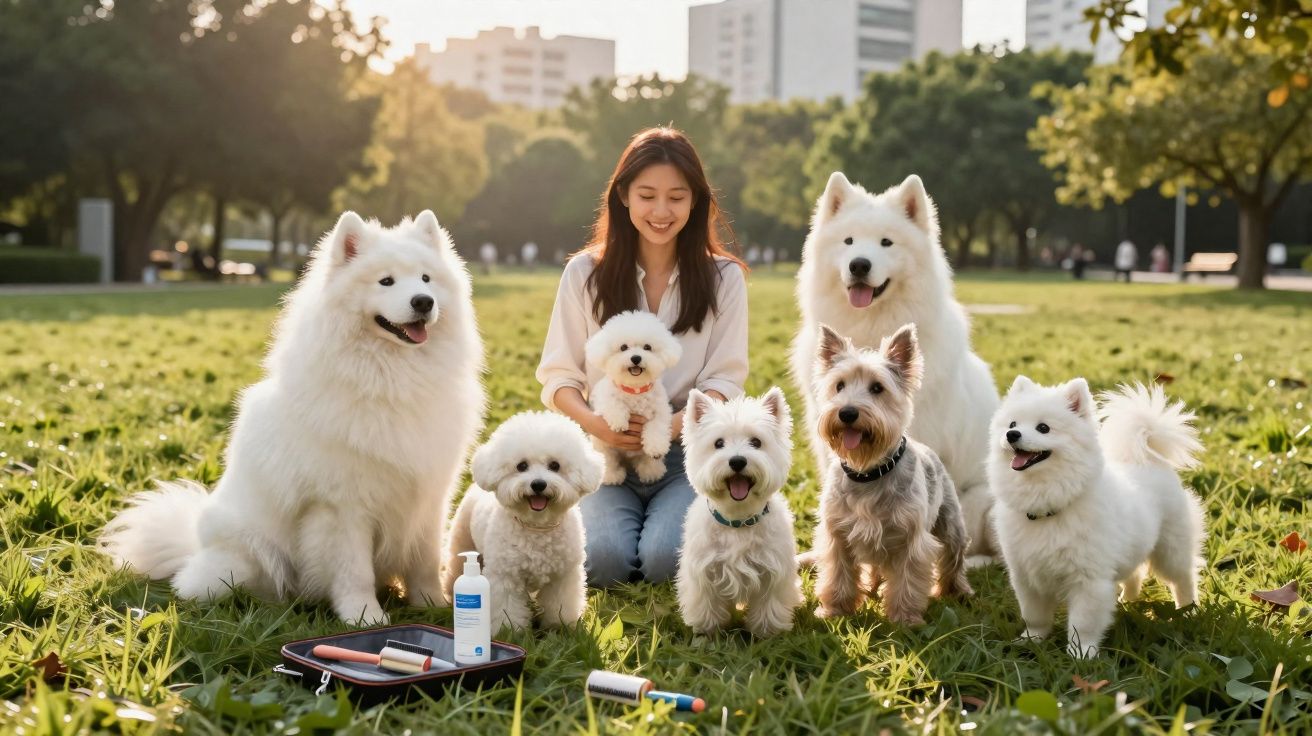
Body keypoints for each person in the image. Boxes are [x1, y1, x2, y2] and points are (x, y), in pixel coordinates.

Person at [536, 127, 748, 587]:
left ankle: (664, 521)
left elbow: (726, 380)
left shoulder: (724, 277)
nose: (661, 211)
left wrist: (664, 428)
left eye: (676, 196)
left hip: (682, 452)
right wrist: (597, 424)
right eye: (647, 195)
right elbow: (558, 377)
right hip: (602, 450)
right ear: (623, 197)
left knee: (663, 563)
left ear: (696, 201)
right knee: (603, 563)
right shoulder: (585, 273)